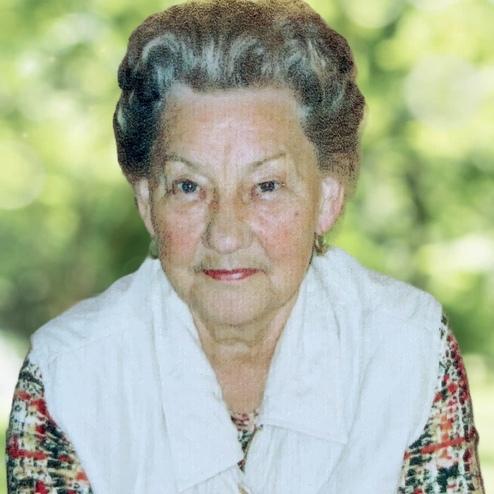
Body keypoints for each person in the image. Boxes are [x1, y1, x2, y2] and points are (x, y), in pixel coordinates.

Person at [5, 1, 485, 492]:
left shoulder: (409, 350)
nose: (226, 234)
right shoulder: (67, 377)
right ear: (147, 203)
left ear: (327, 199)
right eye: (189, 187)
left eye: (266, 186)